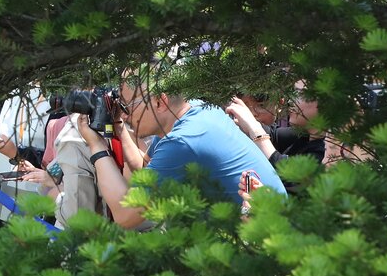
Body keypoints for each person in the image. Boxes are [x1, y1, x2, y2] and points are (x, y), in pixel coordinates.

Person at [74, 77, 287, 230]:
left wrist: (96, 146)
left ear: (160, 102)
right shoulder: (195, 108)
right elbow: (145, 169)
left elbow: (125, 215)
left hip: (259, 242)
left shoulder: (184, 140)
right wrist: (118, 125)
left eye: (127, 105)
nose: (125, 111)